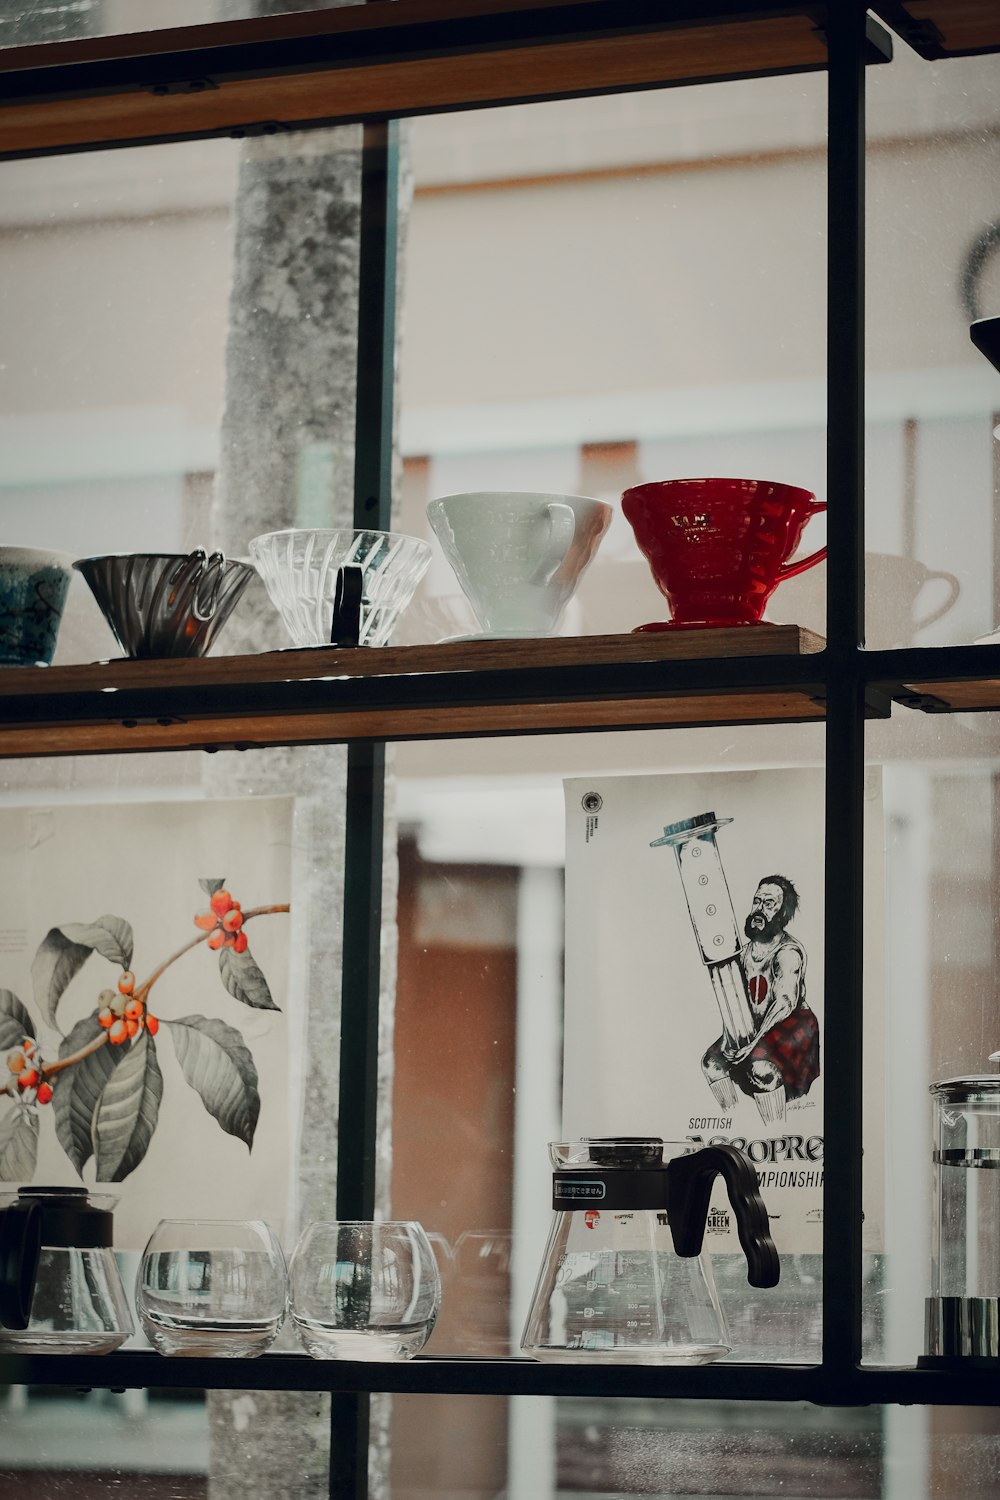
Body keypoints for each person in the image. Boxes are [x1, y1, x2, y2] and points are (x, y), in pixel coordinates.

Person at [702, 874, 819, 1121]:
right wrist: (730, 1037)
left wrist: (752, 1044)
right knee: (712, 1062)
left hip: (790, 1027)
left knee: (761, 1070)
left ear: (782, 913)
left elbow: (784, 1004)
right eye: (757, 901)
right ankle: (733, 1121)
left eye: (769, 904)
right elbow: (734, 999)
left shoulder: (787, 952)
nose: (759, 909)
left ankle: (774, 1126)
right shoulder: (746, 953)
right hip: (755, 1026)